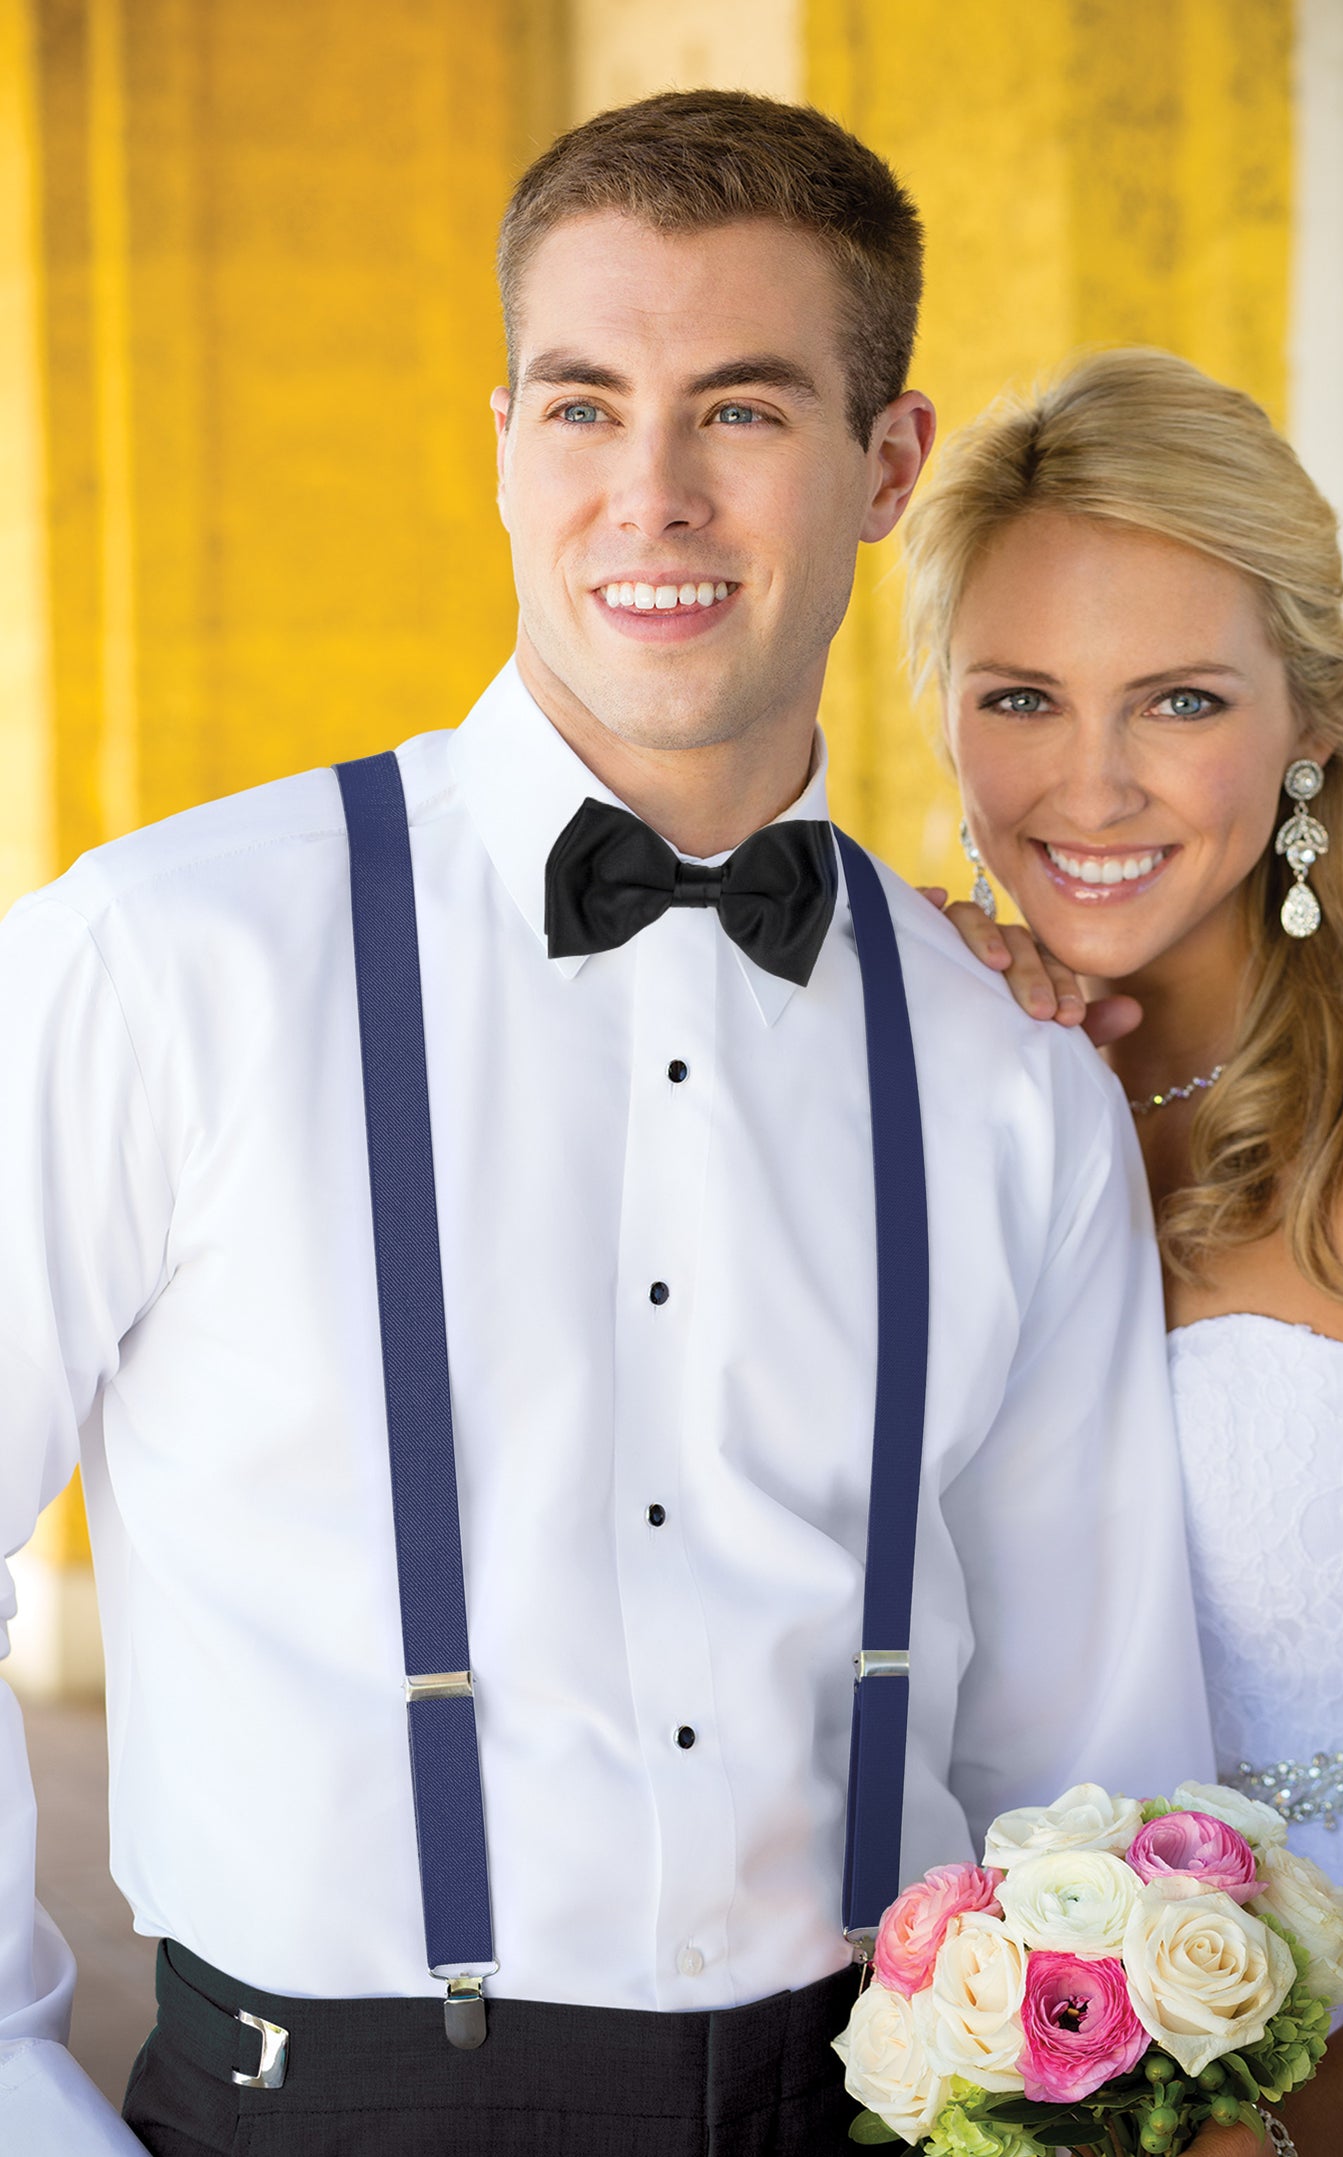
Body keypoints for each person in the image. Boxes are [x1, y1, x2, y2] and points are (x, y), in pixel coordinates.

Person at [0, 103, 1213, 2157]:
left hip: (880, 2107)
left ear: (887, 465)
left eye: (739, 411)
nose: (650, 495)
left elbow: (1088, 1747)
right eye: (583, 406)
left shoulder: (1011, 1073)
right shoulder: (163, 955)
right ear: (501, 445)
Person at [908, 346, 1343, 2157]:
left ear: (1307, 721)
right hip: (983, 2077)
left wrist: (1294, 2142)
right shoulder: (903, 1099)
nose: (1092, 785)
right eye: (1024, 697)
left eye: (1182, 701)